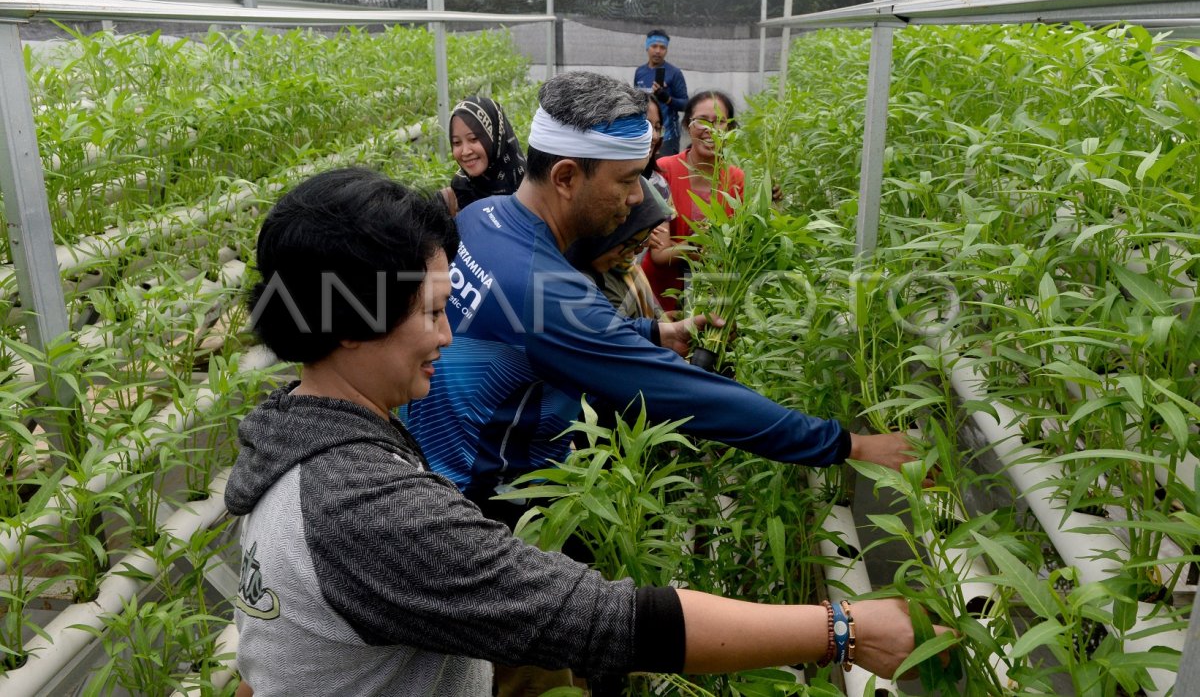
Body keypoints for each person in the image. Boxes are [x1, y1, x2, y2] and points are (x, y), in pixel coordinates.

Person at [229, 166, 945, 696]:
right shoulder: (367, 507)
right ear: (352, 323)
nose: (448, 336)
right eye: (433, 311)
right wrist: (842, 628)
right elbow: (604, 619)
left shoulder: (295, 433)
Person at [405, 71, 913, 529]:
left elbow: (529, 336)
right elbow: (689, 395)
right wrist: (847, 444)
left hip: (433, 466)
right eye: (626, 182)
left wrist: (655, 331)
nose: (635, 200)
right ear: (565, 177)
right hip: (492, 507)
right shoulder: (546, 287)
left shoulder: (483, 216)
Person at [642, 90, 742, 314]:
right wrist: (701, 247)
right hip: (661, 294)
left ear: (731, 129)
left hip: (713, 295)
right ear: (687, 125)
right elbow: (658, 252)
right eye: (703, 121)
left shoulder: (736, 179)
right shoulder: (664, 170)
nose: (711, 130)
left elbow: (740, 243)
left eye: (720, 122)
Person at [567, 175, 671, 320]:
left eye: (643, 241)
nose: (637, 250)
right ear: (611, 234)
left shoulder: (626, 269)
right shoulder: (583, 288)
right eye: (631, 242)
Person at [438, 95, 526, 216]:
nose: (465, 151)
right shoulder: (459, 190)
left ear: (495, 137)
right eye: (457, 143)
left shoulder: (528, 185)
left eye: (473, 139)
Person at [633, 29, 688, 157]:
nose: (658, 51)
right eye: (654, 46)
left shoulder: (674, 73)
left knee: (663, 171)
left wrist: (667, 98)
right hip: (644, 133)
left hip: (667, 135)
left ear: (666, 50)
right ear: (647, 47)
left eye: (662, 47)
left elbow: (685, 104)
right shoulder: (640, 72)